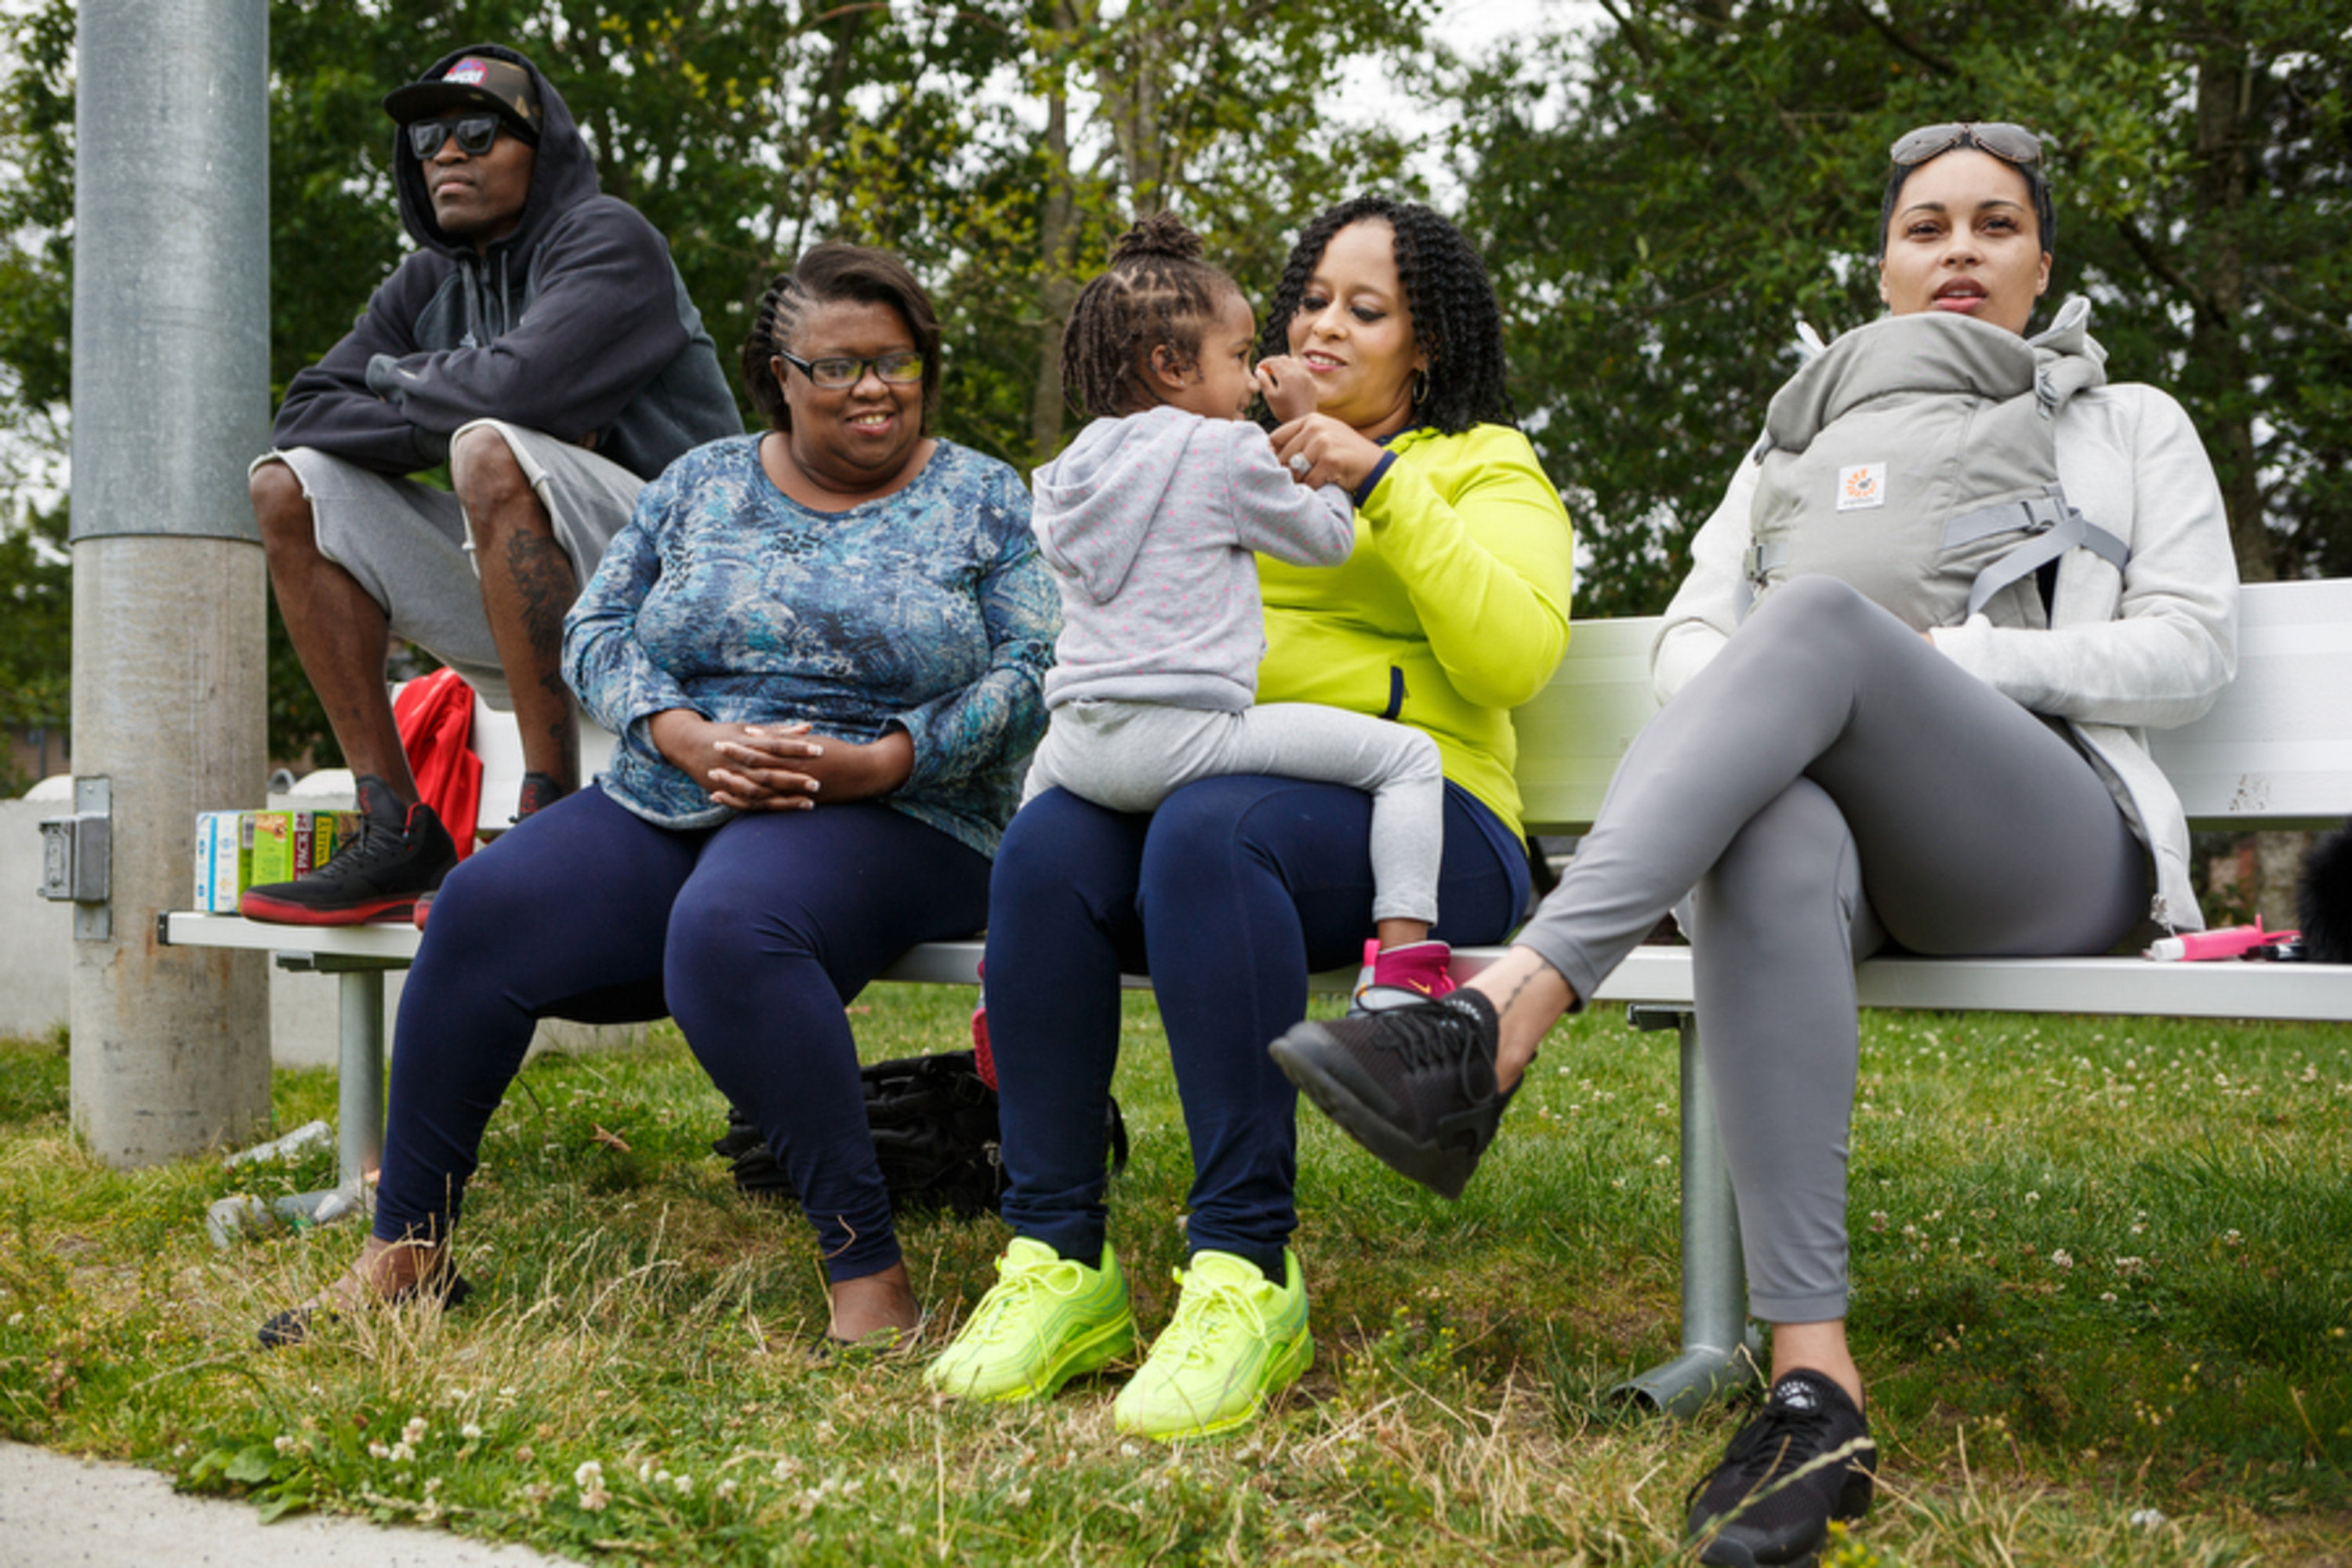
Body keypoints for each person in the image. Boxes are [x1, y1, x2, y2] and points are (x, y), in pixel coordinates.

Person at [1271, 124, 2238, 1563]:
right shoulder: (1794, 438)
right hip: (1846, 861)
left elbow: (2192, 651)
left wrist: (1950, 664)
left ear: (2043, 263)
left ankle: (1499, 1020)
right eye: (1926, 227)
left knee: (1819, 621)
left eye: (1993, 226)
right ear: (1884, 263)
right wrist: (1793, 697)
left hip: (2045, 844)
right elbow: (1689, 645)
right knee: (1772, 818)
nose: (1958, 250)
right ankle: (1811, 1385)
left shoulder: (2127, 420)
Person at [256, 244, 1058, 1351]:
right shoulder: (702, 483)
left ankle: (868, 1275)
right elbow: (591, 630)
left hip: (905, 806)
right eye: (837, 366)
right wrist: (680, 733)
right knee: (485, 905)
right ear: (780, 373)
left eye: (896, 360)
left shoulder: (980, 494)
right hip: (676, 785)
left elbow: (1032, 669)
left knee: (732, 925)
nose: (872, 388)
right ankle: (409, 1246)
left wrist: (883, 759)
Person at [925, 198, 1577, 1441]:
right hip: (1207, 792)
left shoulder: (1480, 464)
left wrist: (1377, 480)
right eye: (1313, 299)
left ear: (1424, 345)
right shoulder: (1217, 444)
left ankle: (1244, 1270)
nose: (1326, 325)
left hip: (1430, 828)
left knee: (1209, 831)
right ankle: (1058, 1260)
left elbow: (1511, 659)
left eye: (1367, 309)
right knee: (1052, 848)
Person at [241, 43, 741, 926]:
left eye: (478, 131)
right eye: (429, 138)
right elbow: (307, 411)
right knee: (289, 486)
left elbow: (513, 397)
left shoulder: (608, 239)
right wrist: (466, 388)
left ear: (538, 150)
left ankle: (551, 813)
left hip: (692, 595)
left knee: (488, 449)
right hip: (543, 590)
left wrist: (430, 388)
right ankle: (395, 825)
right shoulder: (430, 281)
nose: (447, 153)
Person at [1019, 211, 1454, 1007]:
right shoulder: (1223, 449)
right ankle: (1403, 964)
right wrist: (1302, 424)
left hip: (1077, 746)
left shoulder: (1071, 466)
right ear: (1171, 365)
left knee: (1033, 835)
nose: (1253, 376)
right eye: (1240, 356)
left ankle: (1001, 980)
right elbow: (1325, 539)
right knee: (1409, 760)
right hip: (1188, 735)